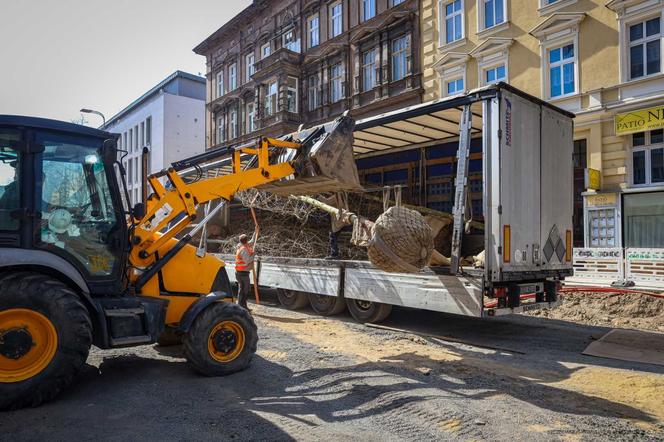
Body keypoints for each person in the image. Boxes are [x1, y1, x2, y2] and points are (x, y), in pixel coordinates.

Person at [235, 233, 255, 310]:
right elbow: (247, 261)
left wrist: (255, 232)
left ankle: (242, 306)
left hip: (240, 272)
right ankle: (241, 306)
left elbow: (252, 241)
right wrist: (253, 255)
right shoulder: (243, 249)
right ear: (246, 241)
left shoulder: (242, 246)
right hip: (242, 273)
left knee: (242, 290)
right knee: (245, 290)